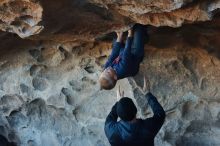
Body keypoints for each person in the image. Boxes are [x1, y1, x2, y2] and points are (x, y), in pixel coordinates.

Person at [104, 78, 166, 146]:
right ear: (136, 110)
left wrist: (119, 103)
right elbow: (160, 114)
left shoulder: (110, 131)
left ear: (119, 115)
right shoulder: (148, 127)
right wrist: (147, 94)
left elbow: (111, 116)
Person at [99, 24, 147, 90]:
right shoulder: (123, 69)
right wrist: (130, 33)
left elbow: (113, 54)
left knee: (115, 36)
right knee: (138, 29)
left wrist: (119, 37)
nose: (106, 69)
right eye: (108, 72)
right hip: (134, 55)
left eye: (104, 71)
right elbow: (127, 52)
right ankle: (144, 36)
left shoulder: (107, 68)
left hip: (122, 53)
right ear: (115, 77)